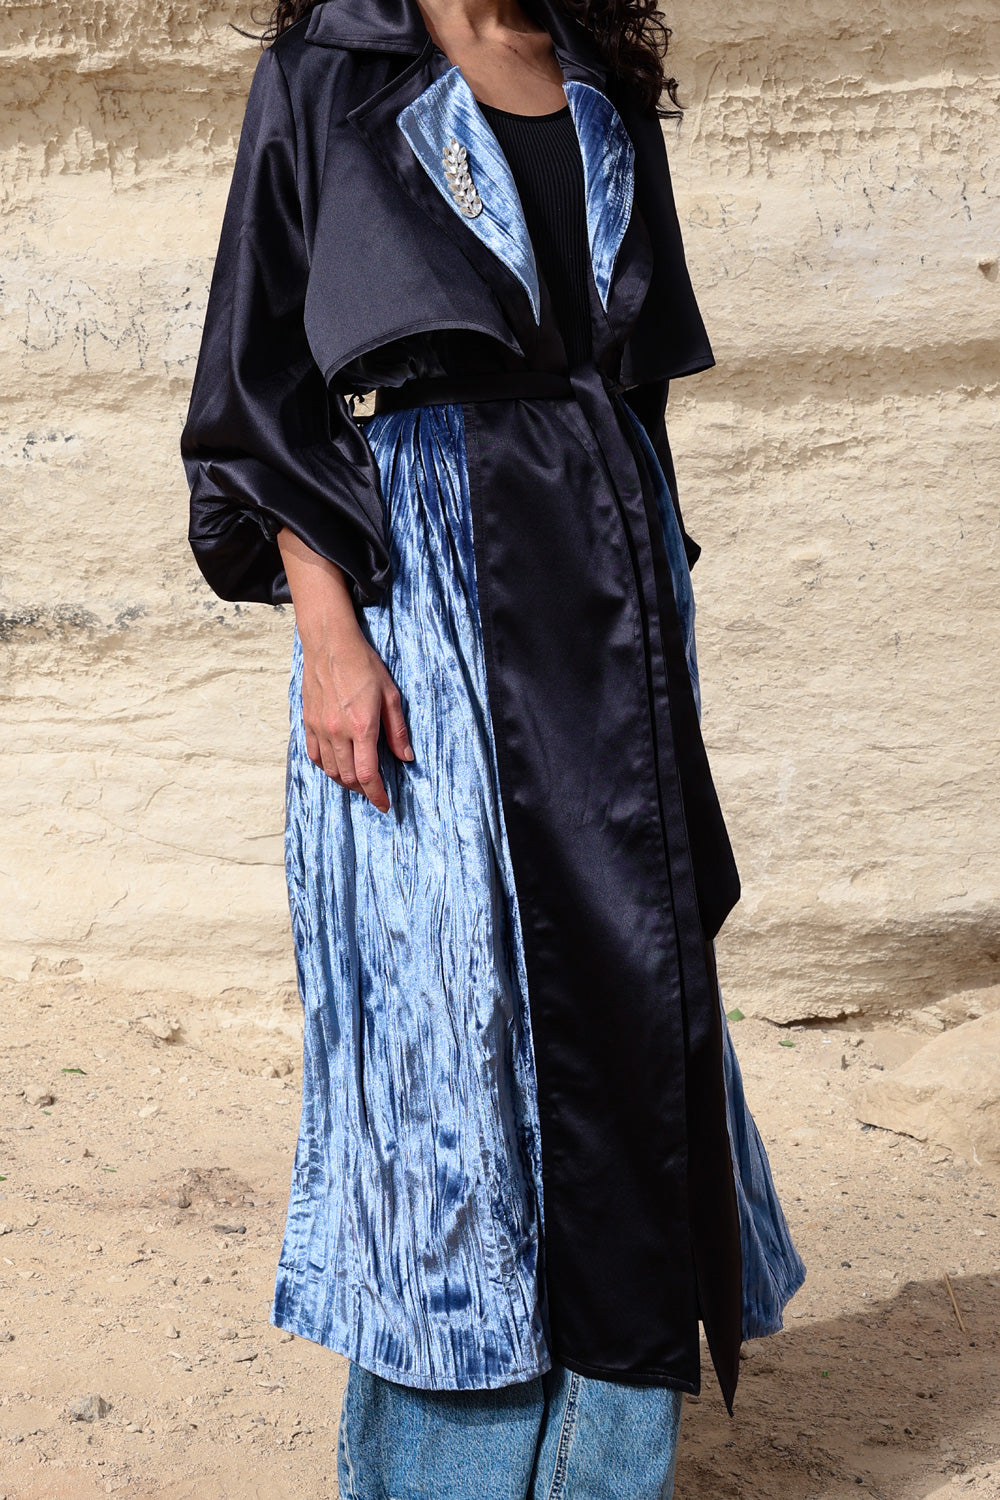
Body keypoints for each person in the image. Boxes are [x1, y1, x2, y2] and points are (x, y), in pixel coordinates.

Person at [179, 0, 806, 1492]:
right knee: (442, 1038)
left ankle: (603, 1470)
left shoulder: (598, 76)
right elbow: (260, 389)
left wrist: (655, 615)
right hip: (424, 591)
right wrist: (331, 638)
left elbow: (638, 386)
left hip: (607, 589)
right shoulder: (328, 74)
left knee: (634, 1004)